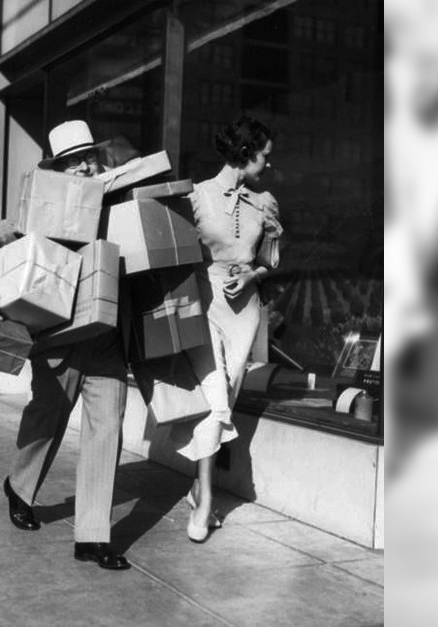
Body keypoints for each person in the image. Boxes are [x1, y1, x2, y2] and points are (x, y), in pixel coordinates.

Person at [0, 120, 131, 570]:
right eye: (74, 162)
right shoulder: (41, 207)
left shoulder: (116, 202)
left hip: (106, 338)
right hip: (58, 337)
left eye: (90, 157)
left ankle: (92, 537)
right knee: (47, 420)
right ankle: (19, 486)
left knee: (107, 429)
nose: (86, 167)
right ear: (57, 170)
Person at [169, 116, 282, 542]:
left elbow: (271, 259)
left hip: (245, 310)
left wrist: (252, 274)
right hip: (206, 302)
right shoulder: (197, 197)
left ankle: (198, 487)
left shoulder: (265, 202)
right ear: (245, 153)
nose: (268, 164)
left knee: (227, 394)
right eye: (264, 155)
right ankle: (206, 501)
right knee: (216, 395)